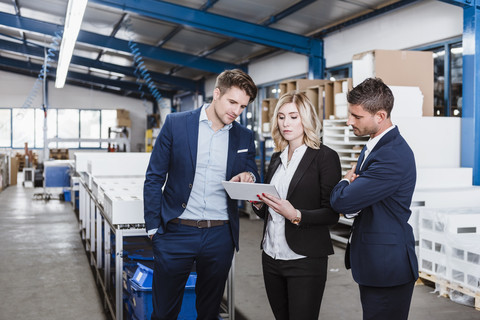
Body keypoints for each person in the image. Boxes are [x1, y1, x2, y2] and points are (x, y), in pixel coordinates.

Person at [144, 69, 259, 320]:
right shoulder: (176, 124)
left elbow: (252, 171)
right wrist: (154, 228)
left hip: (220, 235)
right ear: (216, 93)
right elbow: (154, 177)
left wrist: (249, 177)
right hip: (176, 231)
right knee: (163, 312)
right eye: (232, 102)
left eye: (242, 106)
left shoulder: (243, 136)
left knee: (209, 312)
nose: (236, 111)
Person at [329, 77, 418, 320]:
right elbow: (360, 203)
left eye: (356, 116)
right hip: (375, 262)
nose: (349, 122)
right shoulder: (374, 145)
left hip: (388, 267)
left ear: (380, 116)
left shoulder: (392, 156)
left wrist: (345, 181)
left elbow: (342, 201)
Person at [253, 91, 341, 320]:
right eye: (281, 117)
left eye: (293, 116)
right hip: (271, 256)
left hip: (305, 260)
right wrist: (258, 204)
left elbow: (331, 214)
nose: (286, 123)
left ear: (306, 118)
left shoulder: (324, 157)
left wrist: (297, 215)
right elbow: (271, 211)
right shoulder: (277, 158)